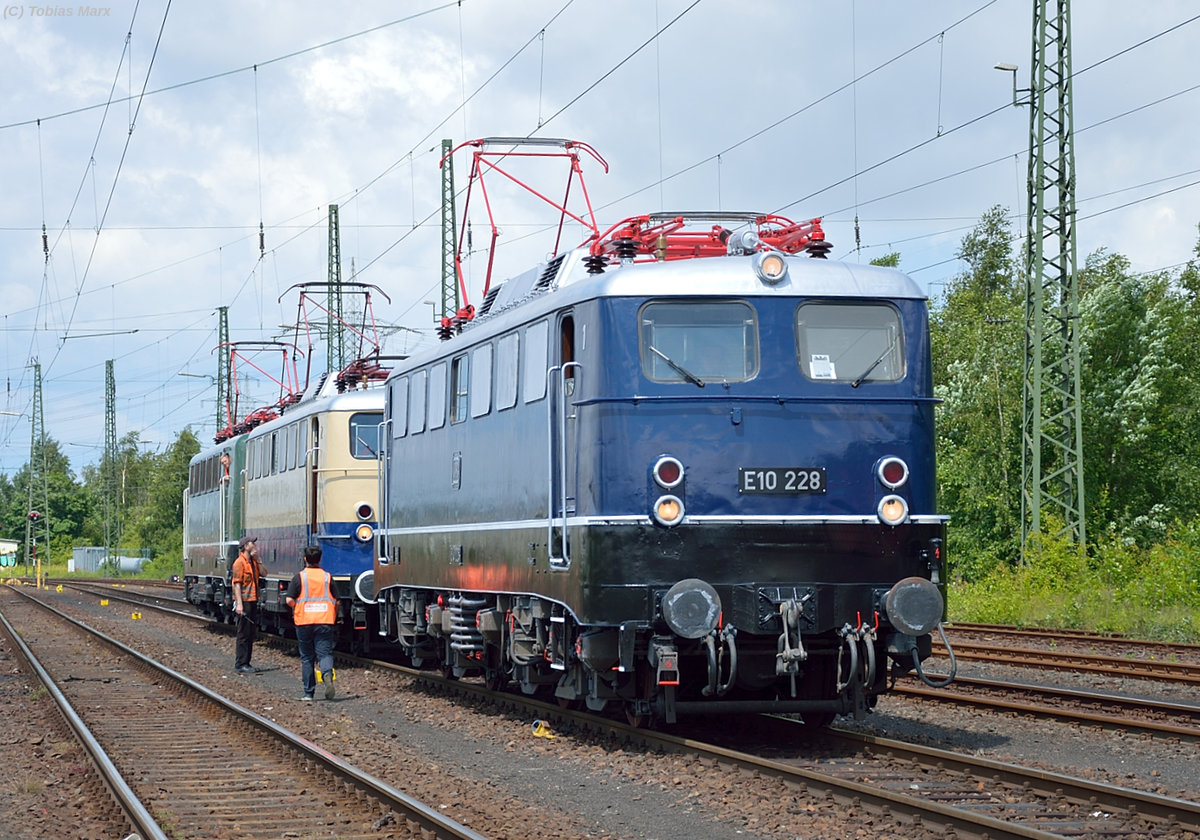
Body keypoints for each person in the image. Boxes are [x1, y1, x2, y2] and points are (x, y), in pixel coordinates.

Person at [285, 545, 338, 701]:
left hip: (304, 622)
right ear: (320, 559)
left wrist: (298, 607)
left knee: (307, 657)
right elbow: (337, 599)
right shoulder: (327, 577)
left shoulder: (299, 577)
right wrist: (333, 614)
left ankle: (309, 693)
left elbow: (289, 600)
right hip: (325, 621)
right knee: (325, 654)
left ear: (305, 559)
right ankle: (327, 675)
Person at [231, 535, 263, 674]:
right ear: (245, 546)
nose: (254, 545)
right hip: (244, 602)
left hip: (253, 600)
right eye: (252, 543)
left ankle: (247, 662)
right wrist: (239, 604)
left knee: (250, 633)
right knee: (243, 633)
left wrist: (259, 560)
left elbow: (265, 574)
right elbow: (236, 584)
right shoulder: (239, 563)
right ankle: (241, 663)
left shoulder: (254, 563)